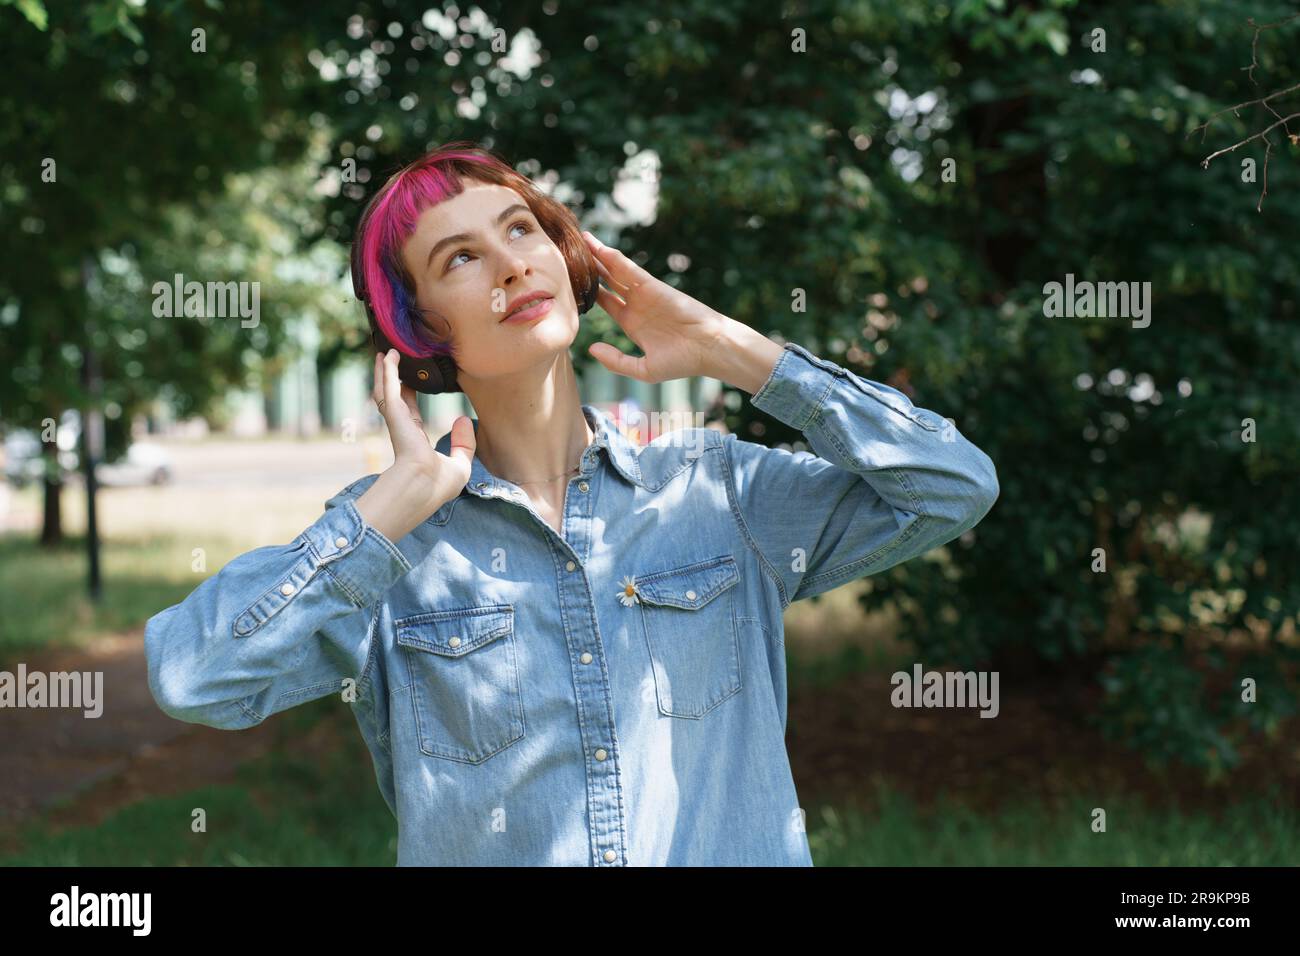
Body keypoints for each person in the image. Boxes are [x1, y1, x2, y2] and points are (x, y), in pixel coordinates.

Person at [143, 141, 1000, 866]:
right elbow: (194, 676)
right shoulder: (394, 544)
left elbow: (952, 484)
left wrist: (733, 351)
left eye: (521, 230)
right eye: (462, 257)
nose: (513, 261)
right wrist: (382, 514)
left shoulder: (717, 491)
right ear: (422, 330)